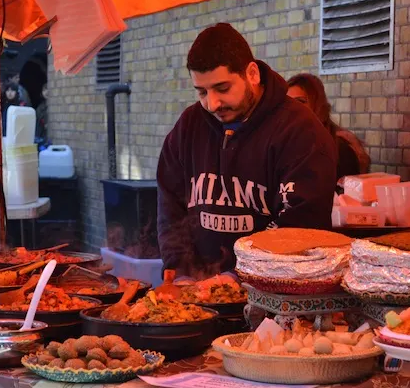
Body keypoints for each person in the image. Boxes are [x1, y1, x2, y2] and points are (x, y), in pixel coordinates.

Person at [157, 23, 337, 278]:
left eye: (222, 88)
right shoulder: (189, 126)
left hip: (272, 296)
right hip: (197, 289)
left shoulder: (300, 131)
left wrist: (237, 277)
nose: (212, 103)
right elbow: (170, 205)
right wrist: (180, 269)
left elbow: (300, 228)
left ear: (252, 73)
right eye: (201, 92)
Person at [287, 73, 370, 181]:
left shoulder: (339, 148)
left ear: (317, 105)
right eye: (288, 102)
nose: (292, 108)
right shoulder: (283, 143)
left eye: (301, 101)